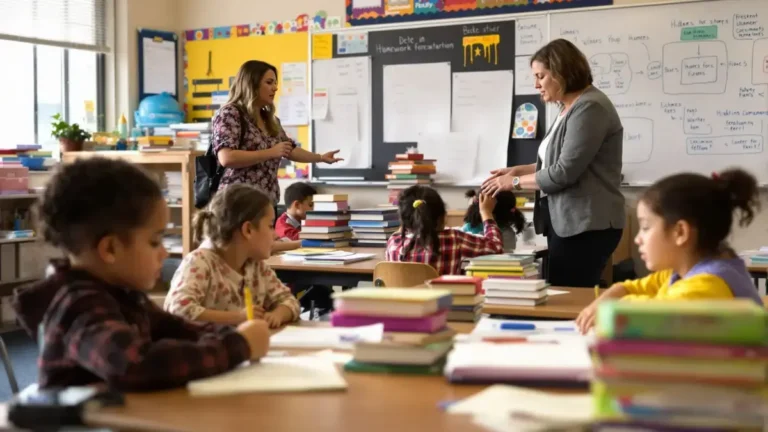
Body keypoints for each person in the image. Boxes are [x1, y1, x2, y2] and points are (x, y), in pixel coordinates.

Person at [12, 158, 269, 390]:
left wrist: (235, 334)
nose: (164, 254)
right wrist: (239, 345)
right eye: (155, 242)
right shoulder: (78, 306)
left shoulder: (124, 294)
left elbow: (181, 329)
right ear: (110, 248)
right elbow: (135, 366)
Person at [481, 39, 625, 288]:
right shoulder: (566, 107)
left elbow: (562, 173)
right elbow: (556, 161)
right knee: (563, 292)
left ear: (562, 72)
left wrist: (513, 182)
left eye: (541, 76)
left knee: (568, 296)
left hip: (588, 226)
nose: (536, 85)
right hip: (570, 223)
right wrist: (518, 170)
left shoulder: (589, 107)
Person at [575, 169, 764, 334]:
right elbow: (628, 288)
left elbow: (648, 313)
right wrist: (613, 294)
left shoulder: (707, 287)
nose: (637, 239)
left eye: (646, 227)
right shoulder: (682, 273)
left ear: (680, 232)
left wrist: (609, 304)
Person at [165, 184, 300, 328]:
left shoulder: (255, 265)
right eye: (270, 226)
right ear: (248, 230)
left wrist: (277, 315)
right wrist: (238, 317)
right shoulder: (200, 262)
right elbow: (179, 309)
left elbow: (289, 301)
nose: (275, 235)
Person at [213, 60, 343, 208]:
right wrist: (271, 152)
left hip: (266, 202)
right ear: (252, 84)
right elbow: (227, 158)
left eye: (275, 83)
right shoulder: (230, 113)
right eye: (269, 82)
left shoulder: (270, 119)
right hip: (238, 203)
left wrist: (320, 158)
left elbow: (289, 150)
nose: (275, 88)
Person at [386, 185, 503, 275]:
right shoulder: (454, 239)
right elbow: (496, 247)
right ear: (442, 216)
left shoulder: (393, 242)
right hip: (445, 306)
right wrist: (486, 212)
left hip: (403, 306)